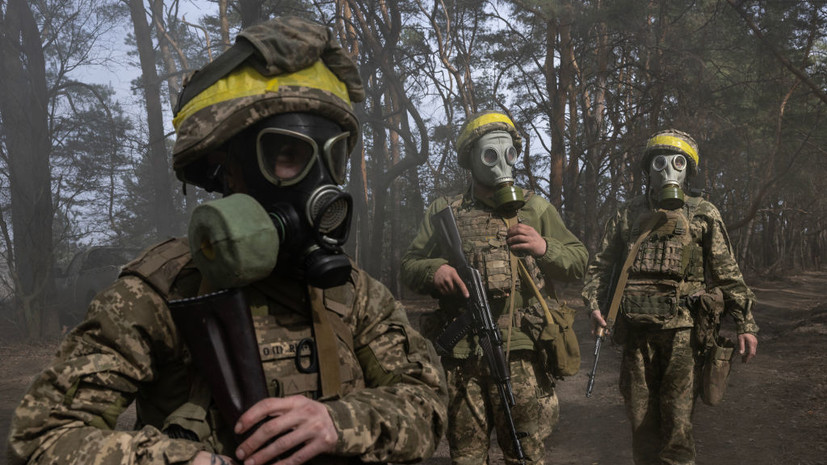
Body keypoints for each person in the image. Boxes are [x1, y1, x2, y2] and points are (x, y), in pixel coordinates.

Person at [8, 17, 447, 465]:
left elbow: (428, 402)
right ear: (227, 168)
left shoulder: (349, 290)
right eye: (287, 154)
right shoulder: (161, 290)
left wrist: (340, 424)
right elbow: (42, 436)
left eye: (332, 157)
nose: (320, 184)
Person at [401, 111, 589, 465]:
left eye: (508, 153)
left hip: (521, 353)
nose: (500, 162)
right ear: (471, 158)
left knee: (525, 454)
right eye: (490, 154)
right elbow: (409, 265)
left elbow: (579, 260)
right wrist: (435, 270)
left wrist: (544, 247)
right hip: (464, 356)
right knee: (467, 458)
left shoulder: (535, 208)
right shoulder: (445, 212)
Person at [581, 129, 759, 465]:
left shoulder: (702, 213)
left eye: (677, 162)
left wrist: (746, 323)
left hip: (684, 335)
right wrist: (594, 306)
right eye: (659, 162)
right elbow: (601, 266)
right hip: (636, 333)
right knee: (641, 424)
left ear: (688, 170)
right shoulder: (627, 214)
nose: (668, 170)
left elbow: (727, 273)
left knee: (678, 426)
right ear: (647, 169)